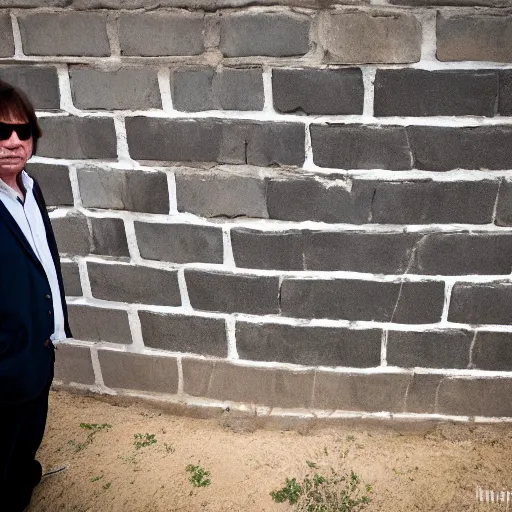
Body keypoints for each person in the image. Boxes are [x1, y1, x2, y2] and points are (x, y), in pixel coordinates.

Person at [0, 79, 71, 511]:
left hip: (37, 348)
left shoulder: (30, 188)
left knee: (29, 428)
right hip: (6, 362)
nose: (13, 141)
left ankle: (21, 477)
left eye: (22, 131)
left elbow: (41, 258)